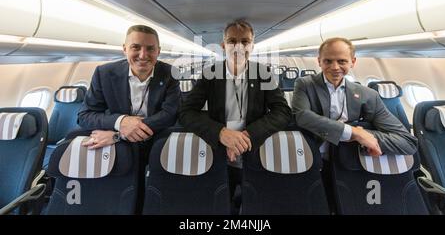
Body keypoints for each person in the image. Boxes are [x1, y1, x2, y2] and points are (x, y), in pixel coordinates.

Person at [179, 19, 291, 213]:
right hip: (218, 153)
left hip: (254, 152)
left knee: (256, 204)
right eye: (232, 41)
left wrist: (248, 135)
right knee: (220, 202)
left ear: (252, 45)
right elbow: (186, 112)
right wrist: (220, 133)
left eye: (245, 41)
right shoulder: (210, 74)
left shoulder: (263, 73)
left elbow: (282, 111)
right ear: (223, 45)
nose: (238, 46)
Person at [291, 37, 417, 157]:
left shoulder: (368, 95)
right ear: (319, 61)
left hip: (351, 160)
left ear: (353, 62)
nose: (335, 67)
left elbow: (407, 142)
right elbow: (302, 116)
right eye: (328, 61)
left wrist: (365, 135)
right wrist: (354, 132)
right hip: (314, 154)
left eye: (342, 61)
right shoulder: (305, 84)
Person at [78, 24, 180, 153]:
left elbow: (170, 115)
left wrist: (120, 135)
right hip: (117, 149)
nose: (143, 55)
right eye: (135, 47)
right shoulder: (104, 73)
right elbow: (85, 116)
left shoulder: (170, 73)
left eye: (150, 49)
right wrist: (121, 122)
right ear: (125, 49)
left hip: (155, 140)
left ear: (158, 51)